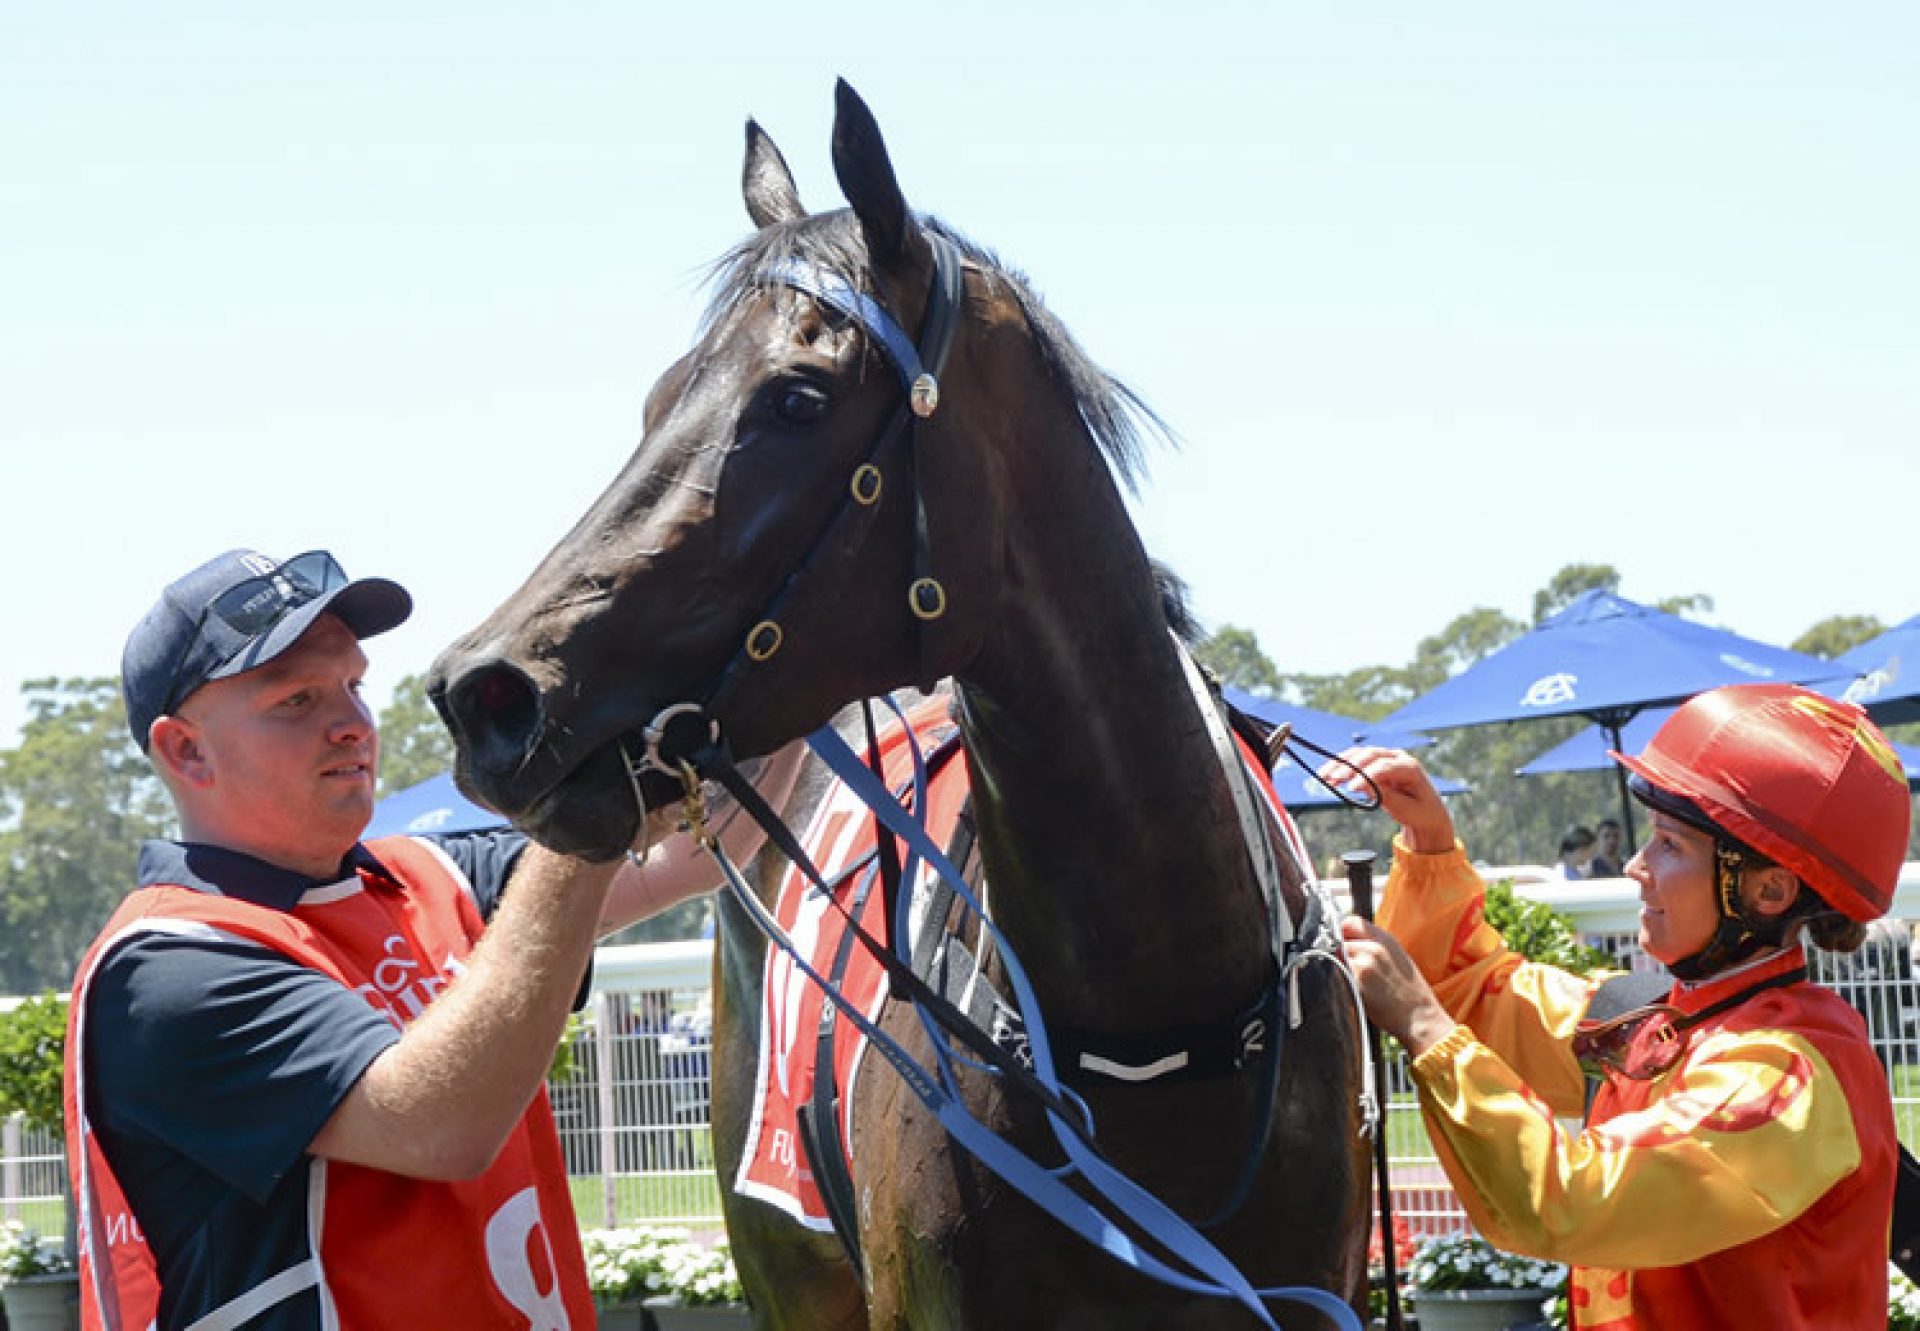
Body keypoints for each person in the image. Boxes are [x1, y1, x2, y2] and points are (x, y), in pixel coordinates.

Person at [64, 548, 800, 1331]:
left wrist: (802, 665)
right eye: (297, 698)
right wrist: (587, 815)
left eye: (354, 685)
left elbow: (693, 852)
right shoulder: (166, 963)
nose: (353, 724)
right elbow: (442, 1123)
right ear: (186, 750)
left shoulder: (431, 871)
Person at [1336, 684, 1910, 1329]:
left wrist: (1422, 1024)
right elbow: (1467, 991)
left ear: (1769, 891)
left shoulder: (1785, 1077)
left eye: (1670, 844)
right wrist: (1430, 842)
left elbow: (1570, 1201)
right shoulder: (1659, 1019)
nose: (1636, 866)